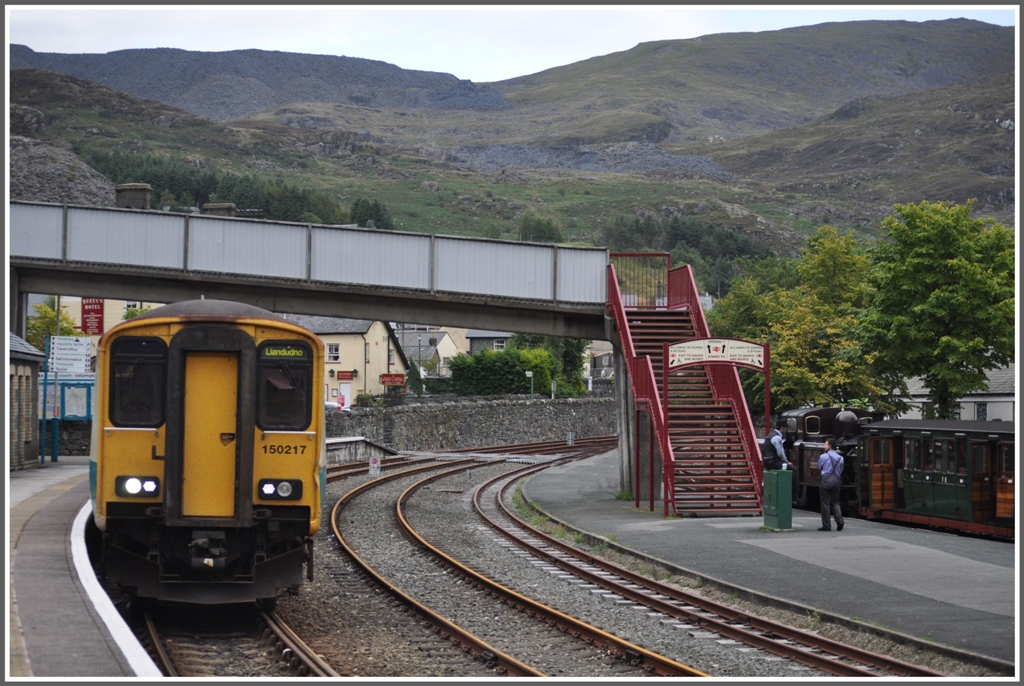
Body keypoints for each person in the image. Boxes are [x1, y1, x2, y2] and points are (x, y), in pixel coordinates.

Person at [817, 437, 845, 532]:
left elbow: (819, 467)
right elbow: (841, 470)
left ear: (829, 446)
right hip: (836, 480)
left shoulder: (823, 456)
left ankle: (826, 525)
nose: (824, 446)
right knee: (835, 502)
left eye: (825, 444)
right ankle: (839, 520)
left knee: (825, 503)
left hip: (826, 480)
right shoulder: (840, 458)